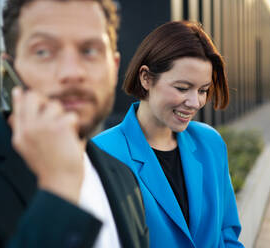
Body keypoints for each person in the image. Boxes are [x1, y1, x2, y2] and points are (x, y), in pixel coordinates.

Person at [0, 0, 148, 247]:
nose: (72, 72)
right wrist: (59, 191)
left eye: (89, 51)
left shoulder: (124, 176)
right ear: (9, 70)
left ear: (114, 66)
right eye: (43, 51)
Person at [92, 21, 244, 247]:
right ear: (146, 78)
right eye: (182, 88)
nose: (195, 103)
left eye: (202, 90)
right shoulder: (102, 155)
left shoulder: (210, 143)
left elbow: (227, 234)